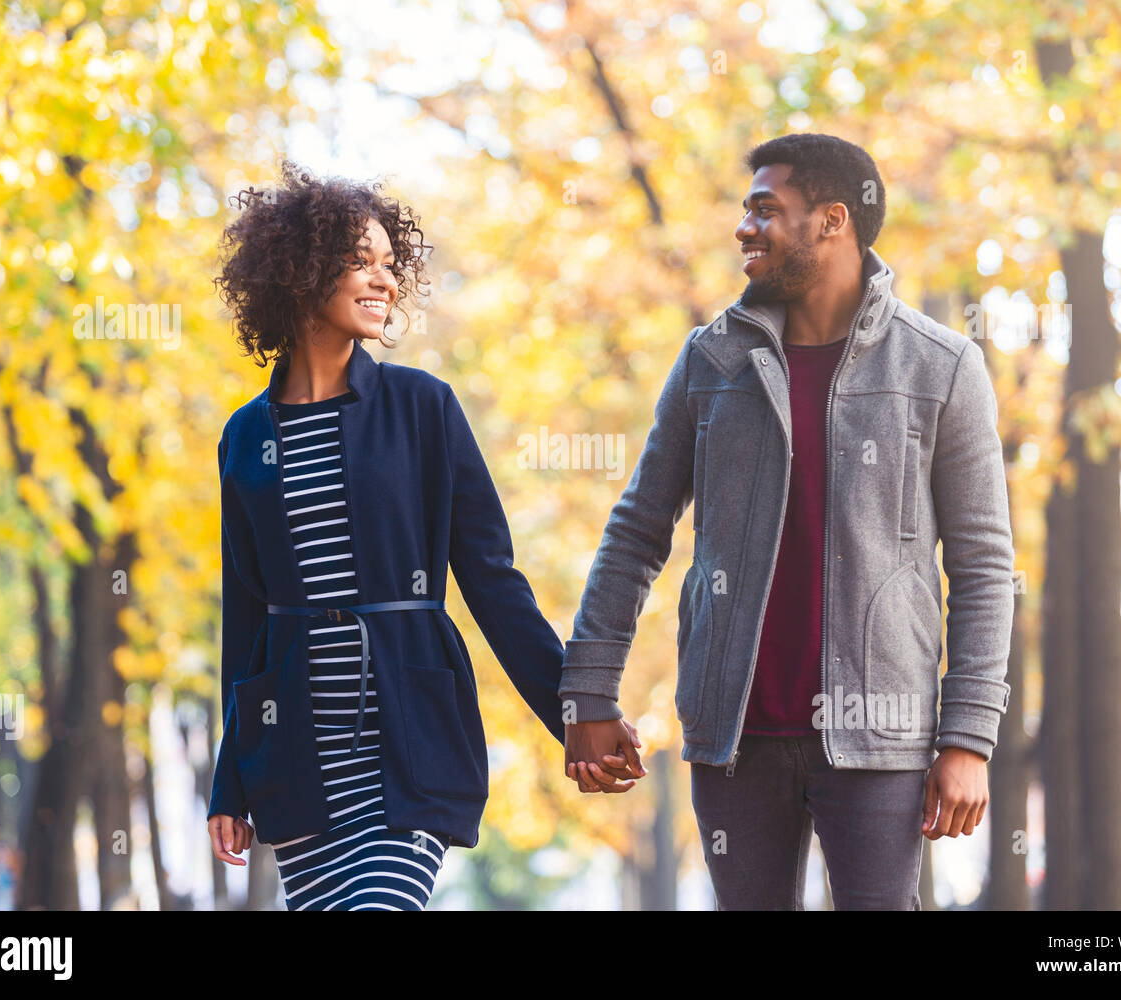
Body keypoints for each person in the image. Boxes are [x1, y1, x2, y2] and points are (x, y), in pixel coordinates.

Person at [559, 133, 1014, 910]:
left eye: (766, 212)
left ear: (833, 220)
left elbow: (981, 567)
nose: (745, 229)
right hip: (733, 736)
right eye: (745, 211)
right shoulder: (712, 360)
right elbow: (637, 530)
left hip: (881, 738)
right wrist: (588, 690)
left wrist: (968, 737)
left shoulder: (940, 367)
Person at [206, 160, 576, 910]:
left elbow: (493, 580)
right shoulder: (245, 438)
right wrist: (229, 780)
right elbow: (245, 620)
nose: (386, 282)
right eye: (360, 263)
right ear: (301, 272)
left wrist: (576, 711)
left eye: (389, 264)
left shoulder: (422, 408)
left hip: (409, 748)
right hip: (298, 761)